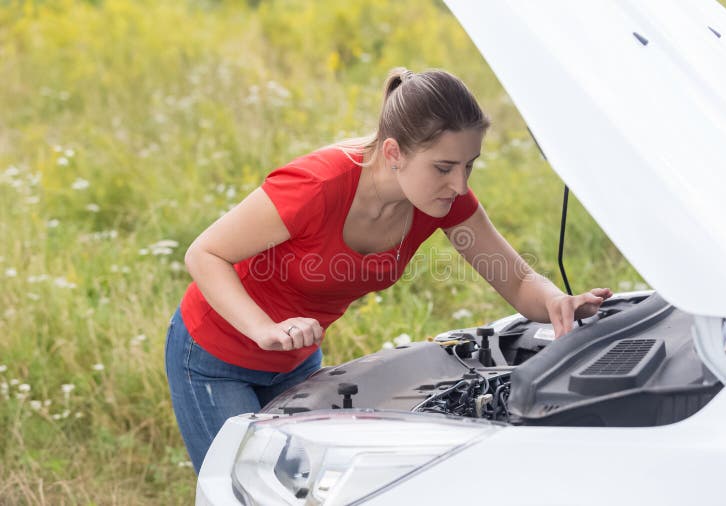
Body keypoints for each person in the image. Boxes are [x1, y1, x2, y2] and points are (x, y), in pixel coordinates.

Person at [164, 67, 612, 473]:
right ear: (394, 152)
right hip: (214, 357)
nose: (460, 185)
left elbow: (516, 279)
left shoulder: (440, 200)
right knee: (245, 484)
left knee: (302, 485)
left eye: (469, 165)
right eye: (444, 167)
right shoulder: (316, 187)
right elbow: (205, 254)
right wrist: (264, 329)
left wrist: (559, 302)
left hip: (296, 357)